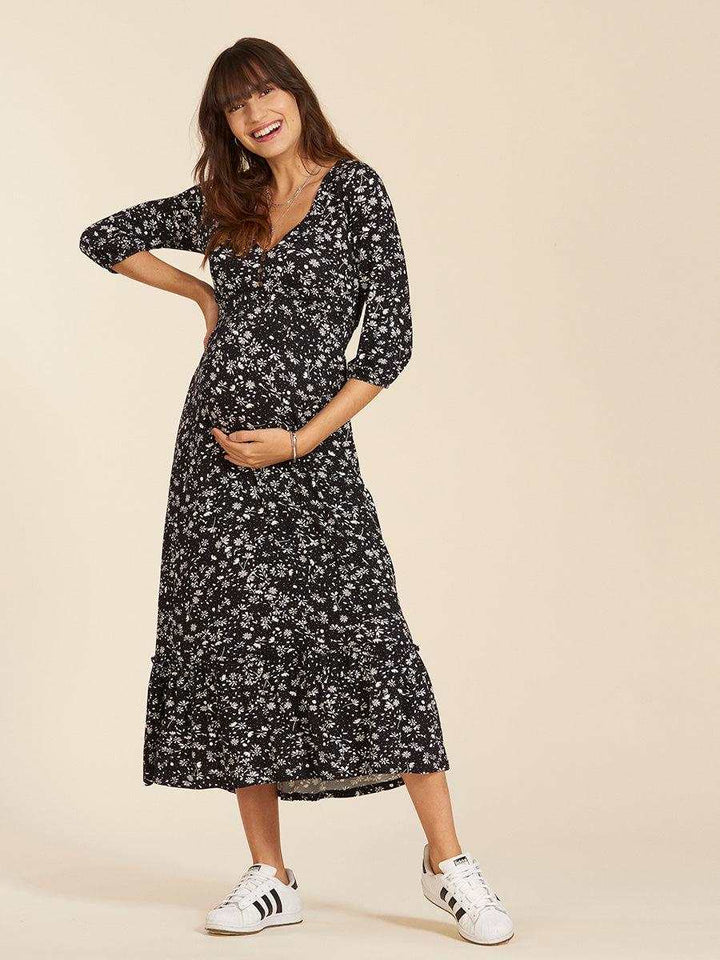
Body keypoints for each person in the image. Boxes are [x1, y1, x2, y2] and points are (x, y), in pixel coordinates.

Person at [78, 37, 514, 946]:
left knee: (371, 640)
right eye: (235, 105)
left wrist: (302, 440)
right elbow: (102, 238)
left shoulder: (355, 192)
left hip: (310, 457)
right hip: (215, 464)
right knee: (239, 650)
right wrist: (205, 298)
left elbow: (388, 344)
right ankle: (270, 875)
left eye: (266, 92)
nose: (255, 113)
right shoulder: (227, 202)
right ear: (225, 124)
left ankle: (447, 865)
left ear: (297, 95)